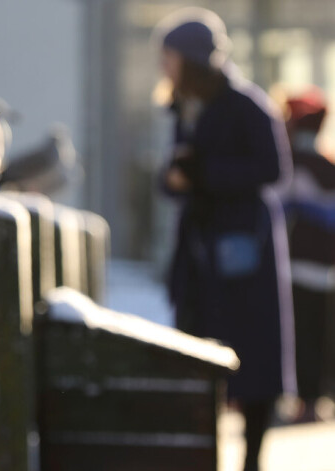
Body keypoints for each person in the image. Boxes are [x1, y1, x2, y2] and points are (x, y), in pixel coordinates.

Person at [155, 8, 296, 471]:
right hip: (200, 257)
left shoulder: (248, 105)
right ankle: (201, 458)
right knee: (196, 357)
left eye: (170, 56)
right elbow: (176, 176)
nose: (164, 65)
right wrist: (175, 179)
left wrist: (204, 175)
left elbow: (273, 170)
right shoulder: (185, 106)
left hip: (244, 255)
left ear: (191, 60)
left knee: (254, 364)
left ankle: (252, 461)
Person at [282, 88, 335, 420]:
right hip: (324, 268)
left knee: (302, 335)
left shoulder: (294, 164)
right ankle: (312, 400)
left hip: (297, 265)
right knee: (319, 333)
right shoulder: (327, 164)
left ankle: (306, 400)